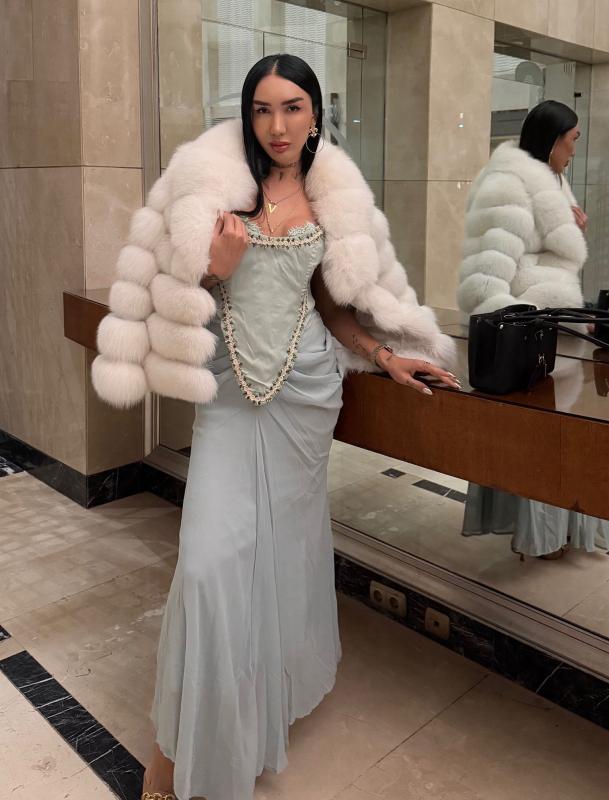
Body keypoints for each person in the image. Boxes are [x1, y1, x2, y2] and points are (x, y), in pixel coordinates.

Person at [92, 54, 458, 800]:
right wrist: (216, 267)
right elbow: (173, 289)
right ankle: (172, 750)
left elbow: (332, 303)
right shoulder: (211, 179)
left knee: (282, 561)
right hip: (229, 398)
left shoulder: (335, 195)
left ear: (315, 114)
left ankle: (256, 720)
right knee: (207, 567)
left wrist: (386, 356)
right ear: (247, 115)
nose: (277, 125)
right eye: (262, 109)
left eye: (292, 107)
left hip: (306, 398)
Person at [457, 99, 609, 559]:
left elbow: (550, 250)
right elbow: (486, 279)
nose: (575, 149)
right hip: (530, 335)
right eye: (573, 139)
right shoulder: (509, 184)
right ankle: (536, 537)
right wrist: (519, 329)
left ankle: (560, 533)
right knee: (534, 441)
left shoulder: (553, 179)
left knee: (559, 439)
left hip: (555, 333)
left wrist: (574, 228)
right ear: (554, 138)